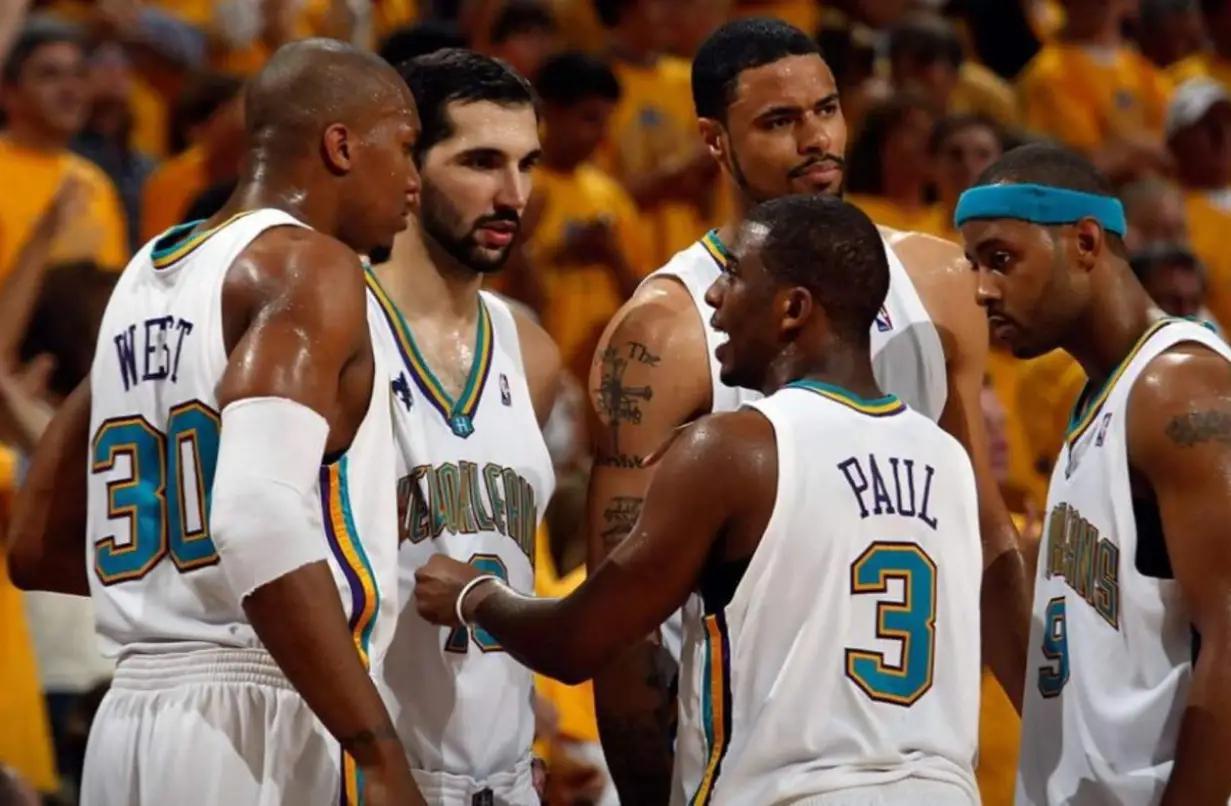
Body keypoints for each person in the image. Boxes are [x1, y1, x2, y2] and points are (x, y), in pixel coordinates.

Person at [583, 17, 1028, 804]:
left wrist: (1055, 748)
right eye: (778, 121)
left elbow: (990, 544)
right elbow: (623, 635)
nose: (816, 139)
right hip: (758, 769)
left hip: (922, 766)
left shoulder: (938, 285)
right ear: (714, 141)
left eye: (826, 109)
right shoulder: (666, 332)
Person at [414, 194, 984, 806]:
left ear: (793, 308)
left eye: (734, 276)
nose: (713, 296)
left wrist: (475, 596)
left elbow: (581, 640)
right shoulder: (948, 459)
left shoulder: (736, 448)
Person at [8, 39, 426, 806]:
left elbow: (35, 545)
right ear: (340, 145)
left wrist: (177, 593)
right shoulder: (309, 265)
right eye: (403, 147)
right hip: (263, 706)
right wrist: (379, 753)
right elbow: (257, 519)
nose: (413, 181)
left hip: (130, 717)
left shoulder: (143, 277)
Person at [958, 142, 1231, 805]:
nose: (981, 288)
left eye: (1000, 259)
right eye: (973, 266)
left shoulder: (1178, 388)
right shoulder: (1100, 400)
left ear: (1084, 242)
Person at [369, 49, 560, 805]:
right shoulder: (340, 330)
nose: (513, 195)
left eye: (527, 164)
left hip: (503, 777)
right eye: (481, 162)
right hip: (372, 773)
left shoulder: (531, 353)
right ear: (408, 168)